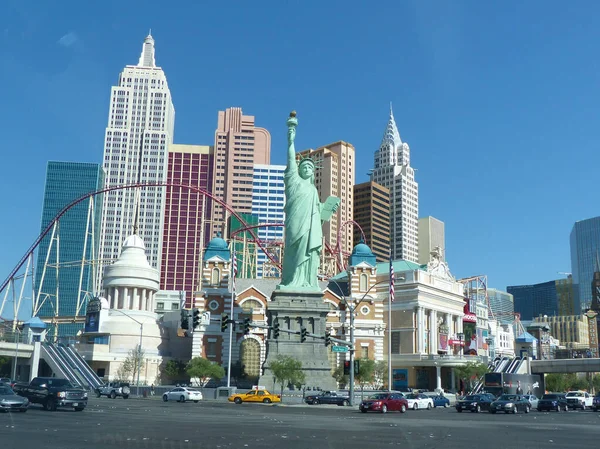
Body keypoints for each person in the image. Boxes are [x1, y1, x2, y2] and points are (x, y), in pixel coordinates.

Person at [279, 111, 338, 290]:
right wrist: (291, 140)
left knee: (310, 254)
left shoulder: (313, 190)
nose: (307, 169)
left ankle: (308, 282)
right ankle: (292, 282)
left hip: (311, 229)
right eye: (304, 166)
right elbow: (291, 159)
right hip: (296, 226)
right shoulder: (294, 181)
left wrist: (327, 210)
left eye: (310, 167)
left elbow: (318, 216)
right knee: (295, 253)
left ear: (313, 173)